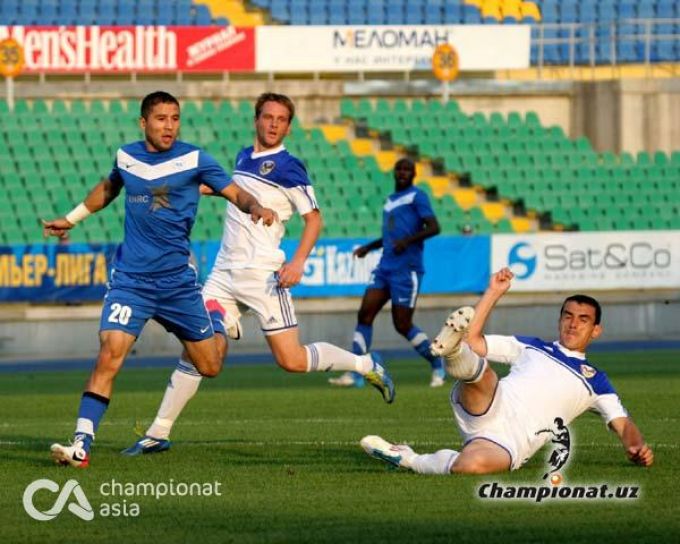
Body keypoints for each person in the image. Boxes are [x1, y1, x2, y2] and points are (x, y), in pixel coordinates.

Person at [122, 92, 395, 456]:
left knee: (292, 361)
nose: (273, 124)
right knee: (196, 351)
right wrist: (204, 187)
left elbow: (313, 219)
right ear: (257, 119)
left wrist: (296, 262)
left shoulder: (290, 167)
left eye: (281, 120)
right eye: (268, 117)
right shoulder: (242, 157)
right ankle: (159, 432)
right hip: (223, 272)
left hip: (264, 275)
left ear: (288, 126)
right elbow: (238, 194)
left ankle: (365, 364)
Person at [43, 91, 276, 468]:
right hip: (131, 280)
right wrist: (71, 218)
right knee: (109, 353)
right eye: (161, 118)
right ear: (143, 123)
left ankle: (217, 317)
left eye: (175, 118)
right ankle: (81, 444)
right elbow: (109, 188)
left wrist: (256, 207)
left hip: (176, 284)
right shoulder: (126, 157)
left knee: (210, 367)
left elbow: (235, 192)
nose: (169, 126)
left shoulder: (194, 158)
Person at [360, 267, 654, 474]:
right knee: (482, 371)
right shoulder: (532, 346)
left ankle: (407, 458)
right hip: (490, 403)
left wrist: (637, 447)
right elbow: (476, 341)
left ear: (596, 330)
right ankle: (453, 350)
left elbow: (623, 424)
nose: (573, 324)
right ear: (559, 320)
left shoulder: (596, 381)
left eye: (583, 319)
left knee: (468, 466)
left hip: (510, 443)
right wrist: (492, 292)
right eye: (567, 316)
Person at [328, 158, 445, 388]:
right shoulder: (390, 200)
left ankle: (437, 364)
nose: (402, 172)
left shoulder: (417, 196)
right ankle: (356, 372)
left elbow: (434, 227)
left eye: (407, 169)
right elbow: (390, 238)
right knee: (364, 314)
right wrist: (368, 248)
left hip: (407, 270)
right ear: (394, 173)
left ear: (413, 174)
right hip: (385, 268)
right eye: (399, 169)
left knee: (402, 324)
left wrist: (408, 241)